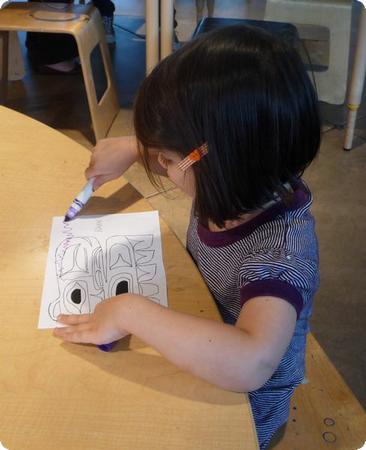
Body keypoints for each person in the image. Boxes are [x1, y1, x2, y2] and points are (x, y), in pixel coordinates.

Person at [54, 25, 321, 449]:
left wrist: (129, 312)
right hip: (199, 324)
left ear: (217, 163)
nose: (158, 163)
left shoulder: (280, 254)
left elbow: (251, 363)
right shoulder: (237, 178)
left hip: (239, 409)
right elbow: (197, 155)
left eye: (168, 157)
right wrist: (133, 147)